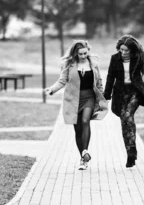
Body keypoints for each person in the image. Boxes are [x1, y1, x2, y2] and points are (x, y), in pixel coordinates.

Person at [45, 40, 108, 170]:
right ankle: (83, 159)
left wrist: (102, 96)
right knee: (78, 130)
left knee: (86, 120)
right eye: (80, 54)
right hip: (73, 99)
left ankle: (85, 151)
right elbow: (62, 81)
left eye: (85, 53)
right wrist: (52, 89)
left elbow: (99, 82)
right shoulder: (69, 65)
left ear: (88, 51)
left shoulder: (94, 64)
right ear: (75, 53)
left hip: (89, 97)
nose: (83, 56)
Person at [103, 35, 144, 168]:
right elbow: (110, 77)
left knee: (127, 116)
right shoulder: (115, 58)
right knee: (125, 120)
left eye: (126, 50)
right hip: (120, 93)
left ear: (132, 51)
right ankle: (130, 153)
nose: (123, 53)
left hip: (135, 92)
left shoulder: (138, 58)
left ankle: (132, 151)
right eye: (121, 50)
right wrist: (106, 96)